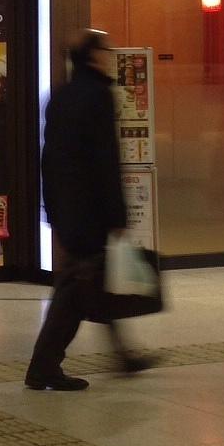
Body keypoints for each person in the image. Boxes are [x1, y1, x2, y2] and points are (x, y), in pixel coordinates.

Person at [26, 29, 155, 391]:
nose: (112, 56)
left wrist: (51, 207)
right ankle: (43, 366)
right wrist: (117, 215)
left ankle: (124, 356)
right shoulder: (98, 96)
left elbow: (50, 159)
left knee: (94, 280)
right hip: (89, 210)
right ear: (94, 56)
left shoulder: (60, 96)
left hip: (68, 208)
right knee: (75, 289)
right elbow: (104, 161)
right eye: (107, 50)